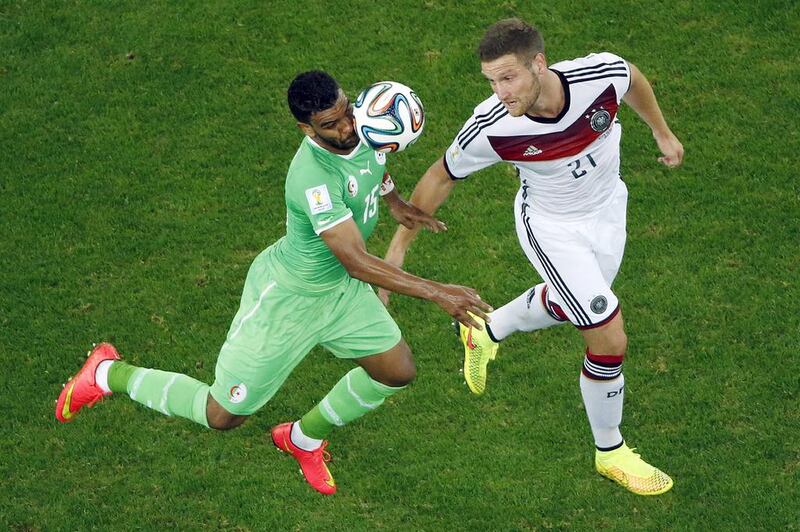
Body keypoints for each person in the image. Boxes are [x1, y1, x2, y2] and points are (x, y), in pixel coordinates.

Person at [55, 70, 491, 496]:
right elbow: (357, 261)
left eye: (345, 114)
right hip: (290, 299)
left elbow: (374, 165)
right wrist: (439, 292)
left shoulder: (365, 125)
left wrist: (393, 201)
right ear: (306, 128)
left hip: (338, 292)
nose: (345, 129)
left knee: (396, 372)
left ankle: (301, 439)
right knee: (223, 414)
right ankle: (108, 373)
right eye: (330, 125)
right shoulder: (311, 177)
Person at [380, 18, 683, 495]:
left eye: (508, 77)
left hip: (608, 212)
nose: (500, 91)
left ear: (538, 64)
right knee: (607, 332)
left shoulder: (597, 77)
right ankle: (611, 451)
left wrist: (661, 131)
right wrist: (398, 248)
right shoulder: (493, 126)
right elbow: (441, 175)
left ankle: (485, 329)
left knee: (572, 305)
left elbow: (631, 77)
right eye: (491, 81)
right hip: (551, 229)